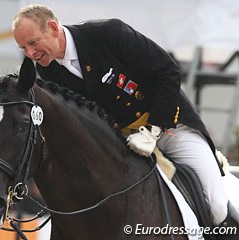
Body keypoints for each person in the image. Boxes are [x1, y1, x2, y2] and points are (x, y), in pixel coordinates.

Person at [12, 4, 239, 233]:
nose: (30, 53)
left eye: (33, 43)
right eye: (23, 48)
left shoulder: (107, 34)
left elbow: (167, 72)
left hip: (170, 128)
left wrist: (155, 129)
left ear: (52, 27)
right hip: (122, 143)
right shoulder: (48, 70)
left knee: (217, 204)